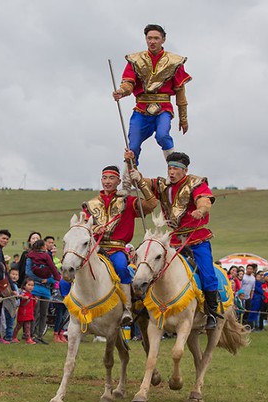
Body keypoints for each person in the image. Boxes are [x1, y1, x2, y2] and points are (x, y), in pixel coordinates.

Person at [126, 150, 220, 329]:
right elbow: (145, 183)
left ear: (184, 170)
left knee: (207, 274)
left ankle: (212, 314)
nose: (171, 172)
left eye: (176, 169)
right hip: (174, 240)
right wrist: (134, 169)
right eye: (169, 168)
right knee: (154, 269)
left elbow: (205, 200)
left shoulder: (195, 183)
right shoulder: (164, 184)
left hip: (196, 238)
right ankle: (148, 306)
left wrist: (200, 210)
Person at [80, 165, 158, 326]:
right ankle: (74, 305)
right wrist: (95, 228)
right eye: (104, 178)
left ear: (118, 181)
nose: (107, 182)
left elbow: (151, 204)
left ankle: (127, 309)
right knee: (74, 271)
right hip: (96, 248)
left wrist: (141, 182)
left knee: (122, 267)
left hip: (117, 248)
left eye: (111, 178)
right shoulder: (91, 204)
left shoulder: (128, 201)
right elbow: (83, 226)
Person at [113, 24, 192, 183]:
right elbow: (129, 82)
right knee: (133, 145)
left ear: (163, 39)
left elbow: (180, 93)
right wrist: (121, 91)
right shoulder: (135, 60)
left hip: (163, 107)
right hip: (141, 107)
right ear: (146, 39)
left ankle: (174, 173)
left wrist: (183, 118)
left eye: (156, 38)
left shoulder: (174, 61)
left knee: (163, 135)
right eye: (149, 38)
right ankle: (128, 183)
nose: (152, 41)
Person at [13, 278, 36, 344]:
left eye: (32, 285)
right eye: (29, 285)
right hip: (23, 313)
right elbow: (22, 302)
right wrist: (23, 298)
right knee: (19, 326)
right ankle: (14, 337)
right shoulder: (23, 293)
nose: (30, 287)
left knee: (27, 326)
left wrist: (35, 300)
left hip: (28, 314)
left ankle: (28, 338)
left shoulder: (31, 295)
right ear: (24, 286)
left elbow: (32, 305)